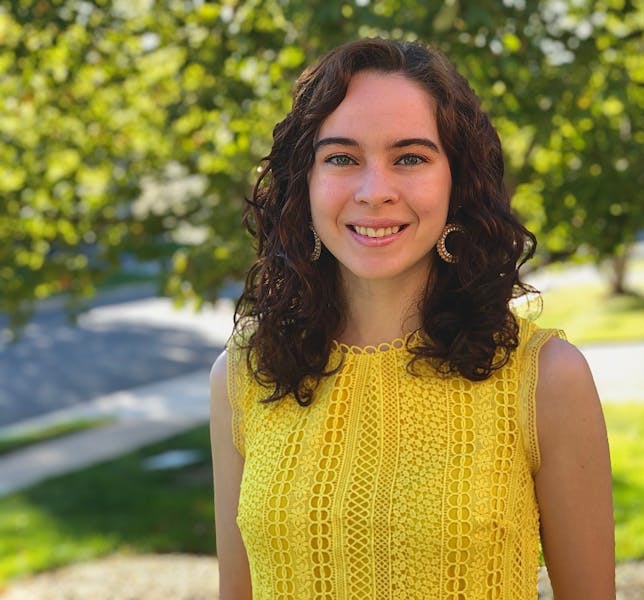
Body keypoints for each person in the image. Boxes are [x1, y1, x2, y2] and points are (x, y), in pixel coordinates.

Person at [210, 38, 614, 599]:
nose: (375, 192)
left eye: (410, 158)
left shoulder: (546, 377)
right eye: (342, 158)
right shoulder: (244, 374)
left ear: (457, 181)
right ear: (305, 182)